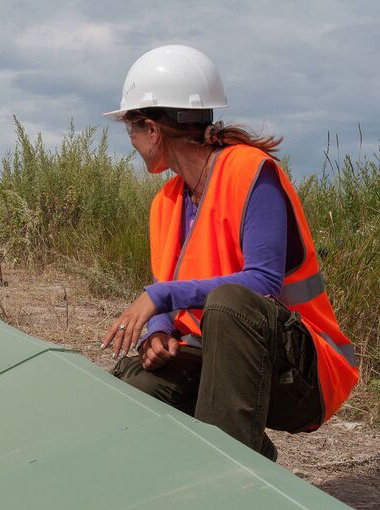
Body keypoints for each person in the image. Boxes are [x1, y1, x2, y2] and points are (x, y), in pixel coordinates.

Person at [101, 45, 358, 461]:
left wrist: (159, 297)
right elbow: (170, 283)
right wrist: (159, 331)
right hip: (214, 361)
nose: (131, 142)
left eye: (130, 130)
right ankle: (248, 450)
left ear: (151, 129)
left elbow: (262, 283)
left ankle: (230, 483)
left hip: (305, 375)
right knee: (138, 394)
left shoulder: (251, 172)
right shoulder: (165, 203)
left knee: (229, 302)